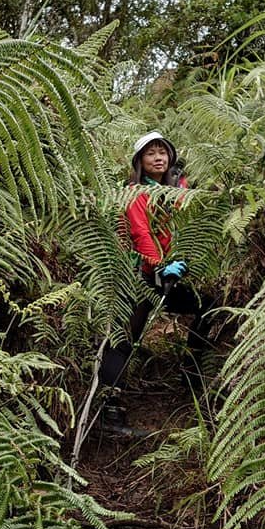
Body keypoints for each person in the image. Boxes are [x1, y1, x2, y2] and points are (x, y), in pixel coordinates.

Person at [99, 131, 215, 434]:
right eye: (150, 153)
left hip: (176, 273)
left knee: (209, 307)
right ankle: (110, 411)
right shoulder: (134, 192)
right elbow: (140, 233)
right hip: (141, 276)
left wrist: (181, 264)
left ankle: (192, 375)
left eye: (162, 152)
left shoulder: (181, 189)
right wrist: (160, 267)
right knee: (124, 339)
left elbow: (190, 228)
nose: (158, 158)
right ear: (140, 160)